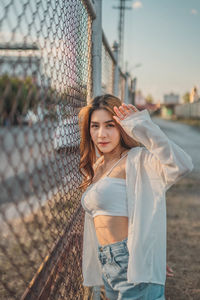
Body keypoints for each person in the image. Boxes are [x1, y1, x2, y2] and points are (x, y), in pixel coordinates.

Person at [78, 94, 193, 300]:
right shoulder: (98, 166)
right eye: (95, 126)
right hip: (108, 263)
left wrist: (141, 126)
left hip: (131, 263)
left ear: (122, 127)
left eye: (110, 125)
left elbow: (182, 164)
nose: (101, 134)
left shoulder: (138, 159)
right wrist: (149, 250)